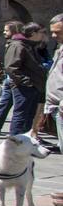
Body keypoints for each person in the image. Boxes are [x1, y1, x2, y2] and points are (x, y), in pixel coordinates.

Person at [3, 22, 46, 137]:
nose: (44, 35)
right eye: (42, 32)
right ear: (33, 33)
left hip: (34, 87)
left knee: (28, 116)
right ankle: (15, 141)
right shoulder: (18, 45)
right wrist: (26, 82)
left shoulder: (28, 45)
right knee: (21, 115)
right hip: (24, 87)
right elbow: (11, 67)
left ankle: (23, 141)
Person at [0, 20, 22, 132]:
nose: (4, 32)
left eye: (6, 30)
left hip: (8, 79)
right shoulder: (13, 44)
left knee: (2, 104)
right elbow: (6, 67)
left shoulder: (13, 43)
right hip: (8, 79)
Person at [45, 14, 63, 152]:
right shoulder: (60, 48)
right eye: (52, 31)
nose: (53, 35)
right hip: (56, 107)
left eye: (57, 32)